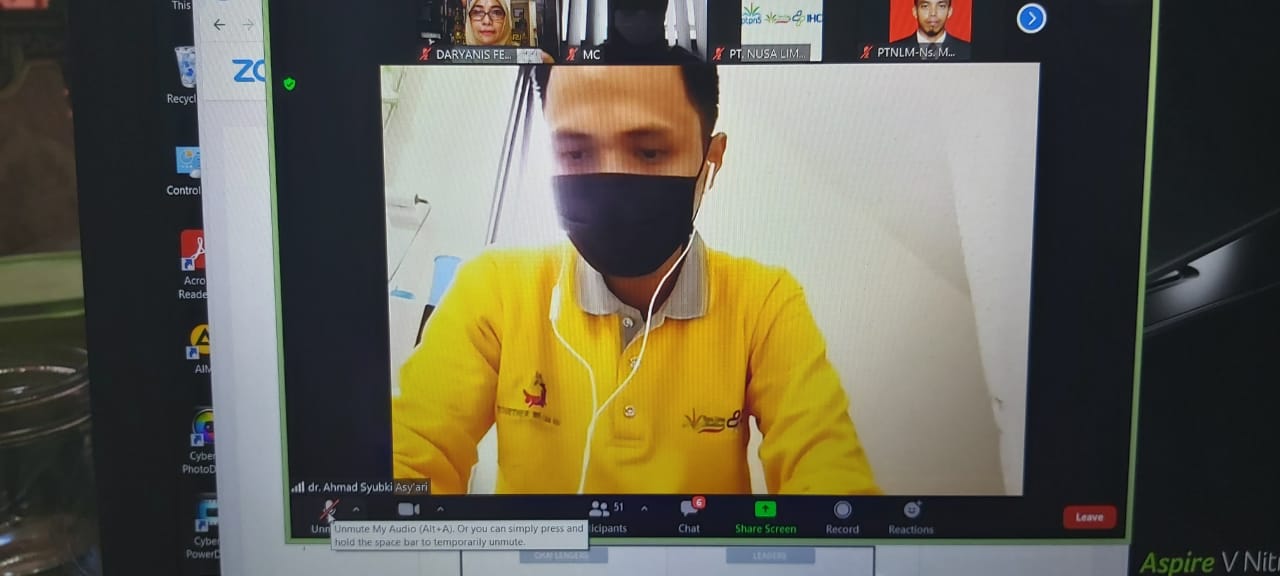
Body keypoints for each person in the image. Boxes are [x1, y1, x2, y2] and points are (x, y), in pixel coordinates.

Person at [393, 49, 879, 495]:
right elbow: (409, 453)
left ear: (711, 159)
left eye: (649, 152)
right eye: (575, 153)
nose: (611, 188)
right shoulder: (495, 289)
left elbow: (829, 478)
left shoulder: (765, 303)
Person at [891, 0, 970, 60]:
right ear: (915, 11)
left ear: (949, 12)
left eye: (941, 6)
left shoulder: (967, 51)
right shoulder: (893, 51)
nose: (933, 13)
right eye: (925, 6)